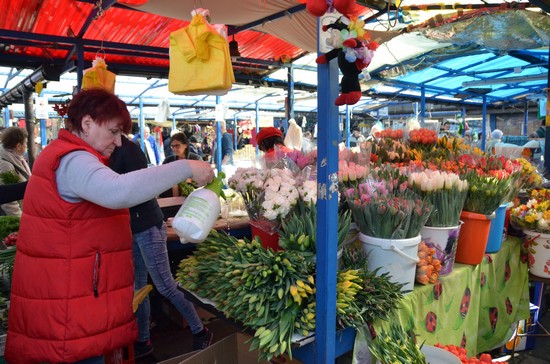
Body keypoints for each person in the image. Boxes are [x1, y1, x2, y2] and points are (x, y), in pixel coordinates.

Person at [5, 88, 214, 364]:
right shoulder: (73, 159)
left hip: (67, 303)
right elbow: (118, 191)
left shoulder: (64, 155)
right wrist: (185, 167)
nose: (118, 141)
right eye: (113, 131)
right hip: (67, 314)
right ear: (87, 123)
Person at [110, 135, 213, 358]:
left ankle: (201, 331)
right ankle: (143, 341)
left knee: (165, 285)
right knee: (139, 288)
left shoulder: (130, 150)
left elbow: (141, 187)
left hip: (147, 226)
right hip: (130, 228)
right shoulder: (108, 149)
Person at [0, 126, 32, 216]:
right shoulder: (6, 165)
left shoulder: (17, 159)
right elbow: (8, 202)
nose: (26, 146)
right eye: (25, 143)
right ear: (18, 146)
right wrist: (19, 220)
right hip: (13, 218)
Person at [161, 132, 203, 197]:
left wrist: (189, 180)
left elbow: (202, 178)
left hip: (191, 197)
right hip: (170, 200)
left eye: (177, 146)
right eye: (172, 146)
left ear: (185, 145)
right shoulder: (168, 161)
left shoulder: (196, 160)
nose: (174, 149)